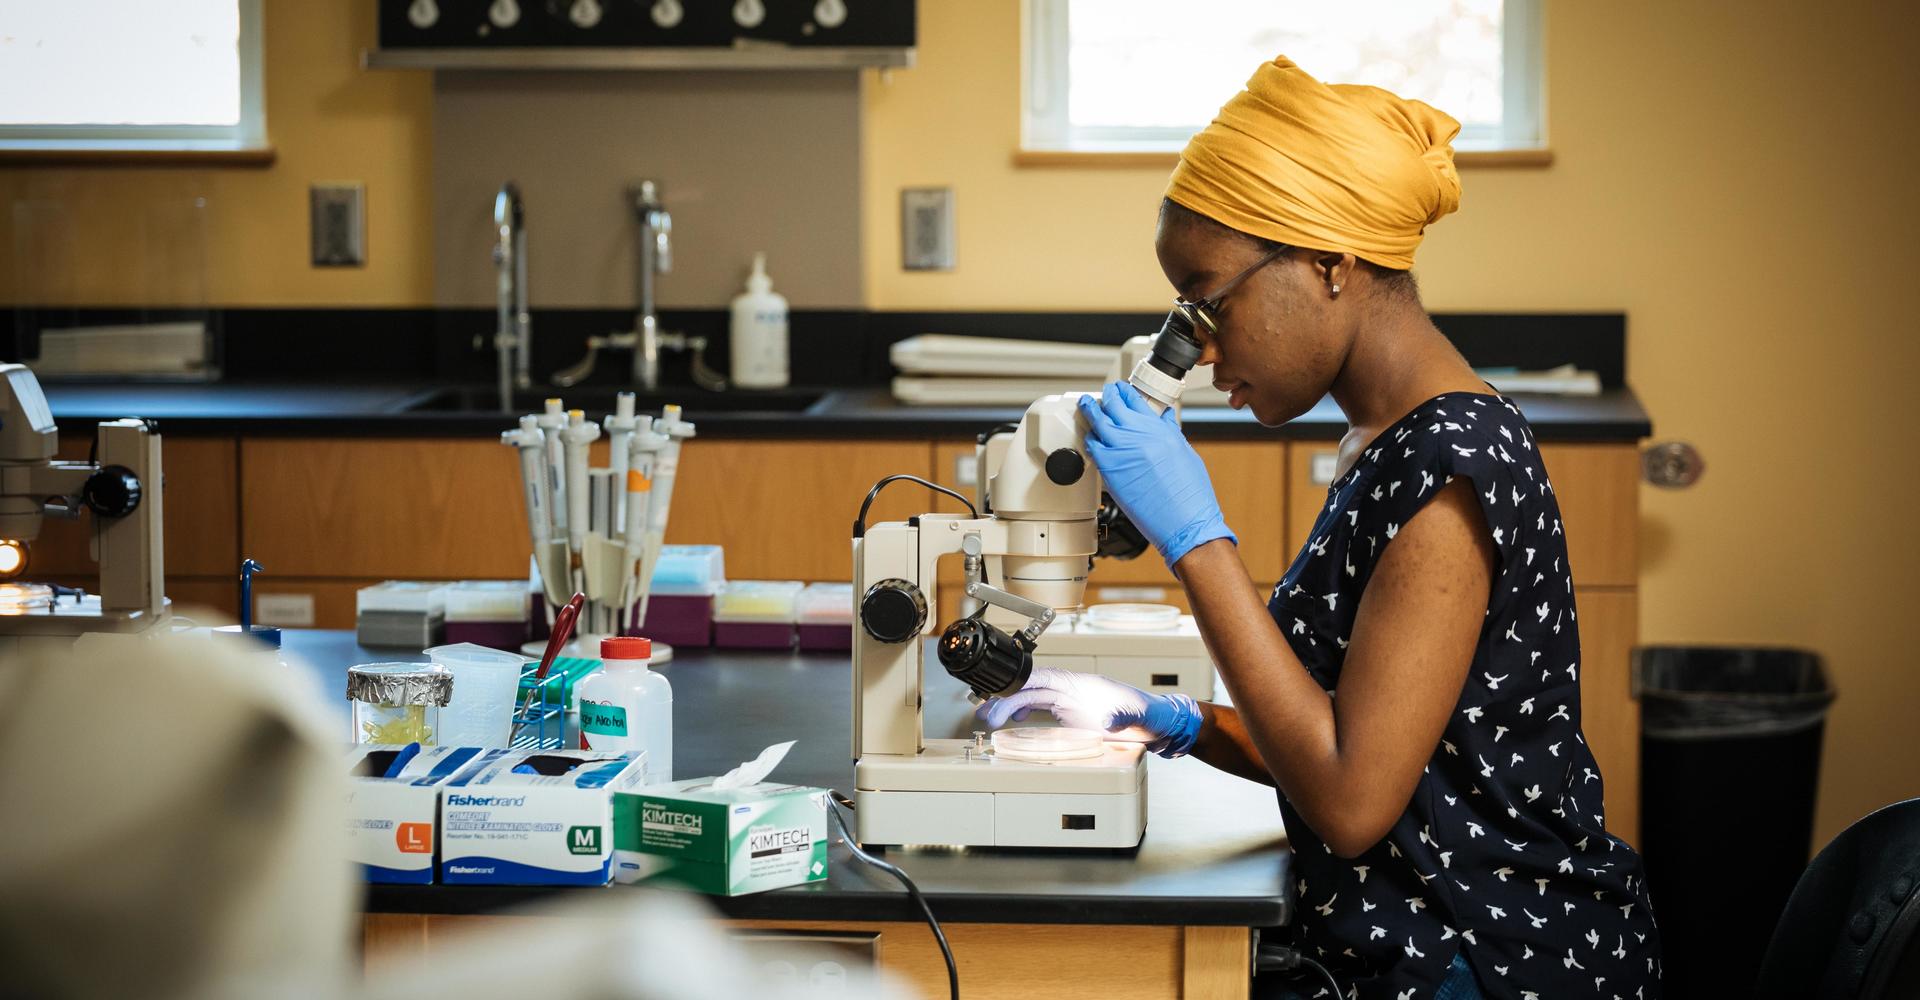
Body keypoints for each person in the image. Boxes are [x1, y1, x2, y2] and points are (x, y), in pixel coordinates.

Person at [978, 56, 1662, 999]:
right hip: (1414, 936)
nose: (1198, 342)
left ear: (1330, 264)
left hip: (1483, 959)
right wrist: (1170, 723)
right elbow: (1362, 738)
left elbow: (1349, 803)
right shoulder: (1388, 439)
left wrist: (1196, 541)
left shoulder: (1451, 467)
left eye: (1209, 299)